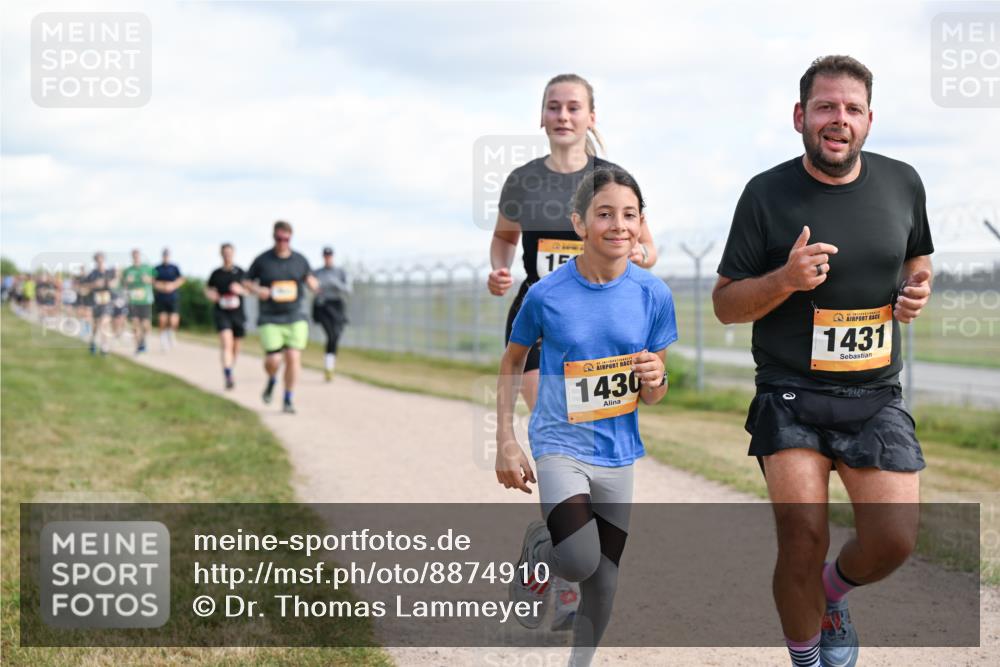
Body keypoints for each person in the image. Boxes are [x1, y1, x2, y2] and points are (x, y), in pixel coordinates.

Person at [712, 55, 934, 667]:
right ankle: (806, 659)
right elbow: (726, 305)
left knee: (892, 541)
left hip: (874, 394)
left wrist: (915, 290)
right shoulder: (765, 194)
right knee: (803, 537)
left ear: (869, 120)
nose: (839, 119)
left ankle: (832, 595)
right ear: (800, 116)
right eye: (825, 107)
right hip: (790, 393)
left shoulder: (903, 182)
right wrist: (784, 279)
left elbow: (917, 259)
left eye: (852, 108)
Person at [487, 73, 661, 630]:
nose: (563, 116)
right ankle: (563, 561)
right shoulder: (523, 180)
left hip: (597, 325)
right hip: (544, 319)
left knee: (585, 425)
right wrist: (499, 270)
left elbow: (647, 244)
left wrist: (635, 257)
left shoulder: (611, 179)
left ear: (591, 116)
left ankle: (556, 548)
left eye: (574, 107)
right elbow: (504, 239)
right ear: (542, 116)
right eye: (554, 107)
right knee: (558, 426)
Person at [496, 167, 677, 666]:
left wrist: (656, 376)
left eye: (630, 215)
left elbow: (655, 394)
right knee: (577, 560)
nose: (619, 225)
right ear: (579, 223)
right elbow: (512, 361)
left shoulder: (654, 295)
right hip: (560, 444)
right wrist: (506, 439)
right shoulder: (546, 294)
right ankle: (542, 548)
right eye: (605, 214)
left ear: (641, 224)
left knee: (605, 578)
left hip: (618, 451)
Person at [244, 221, 319, 414]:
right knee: (274, 361)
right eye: (279, 238)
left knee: (293, 357)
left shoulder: (300, 260)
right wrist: (258, 290)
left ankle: (288, 398)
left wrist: (313, 284)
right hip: (270, 317)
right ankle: (272, 379)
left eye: (286, 239)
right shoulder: (263, 260)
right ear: (274, 237)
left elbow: (310, 278)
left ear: (290, 238)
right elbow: (246, 282)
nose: (282, 242)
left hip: (295, 315)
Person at [206, 243, 247, 390]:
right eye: (225, 253)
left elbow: (249, 290)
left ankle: (230, 368)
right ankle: (228, 374)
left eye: (229, 253)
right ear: (221, 254)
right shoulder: (216, 273)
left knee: (235, 347)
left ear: (233, 253)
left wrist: (240, 290)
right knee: (226, 343)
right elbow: (208, 289)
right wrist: (211, 295)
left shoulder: (241, 272)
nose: (227, 256)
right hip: (222, 312)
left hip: (238, 314)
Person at [312, 246, 351, 381]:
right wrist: (318, 287)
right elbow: (311, 287)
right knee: (331, 334)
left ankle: (330, 364)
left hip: (337, 305)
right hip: (323, 306)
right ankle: (329, 368)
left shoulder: (340, 272)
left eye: (329, 256)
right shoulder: (317, 272)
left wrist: (335, 283)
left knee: (336, 335)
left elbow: (348, 289)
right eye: (325, 256)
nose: (327, 258)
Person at [121, 249, 155, 354]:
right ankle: (138, 346)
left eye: (137, 256)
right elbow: (123, 285)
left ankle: (143, 341)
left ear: (140, 256)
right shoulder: (128, 270)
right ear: (132, 257)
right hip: (133, 301)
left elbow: (155, 281)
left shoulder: (147, 268)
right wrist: (127, 281)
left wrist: (148, 280)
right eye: (134, 256)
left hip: (145, 301)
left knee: (146, 325)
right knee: (135, 324)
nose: (136, 258)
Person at [85, 252, 118, 355]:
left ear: (104, 260)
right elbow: (85, 286)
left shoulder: (109, 272)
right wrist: (94, 284)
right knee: (95, 325)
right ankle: (93, 341)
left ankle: (104, 346)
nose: (99, 262)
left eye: (101, 260)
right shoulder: (92, 274)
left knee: (104, 322)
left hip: (107, 302)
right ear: (95, 261)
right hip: (96, 302)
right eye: (97, 260)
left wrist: (110, 283)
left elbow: (116, 283)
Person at [153, 248, 184, 351]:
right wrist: (162, 286)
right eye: (164, 255)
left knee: (173, 320)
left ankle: (171, 334)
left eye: (167, 255)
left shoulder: (174, 267)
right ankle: (163, 338)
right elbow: (153, 281)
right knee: (162, 319)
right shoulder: (157, 268)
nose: (165, 257)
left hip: (173, 297)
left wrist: (173, 285)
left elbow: (181, 279)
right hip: (161, 297)